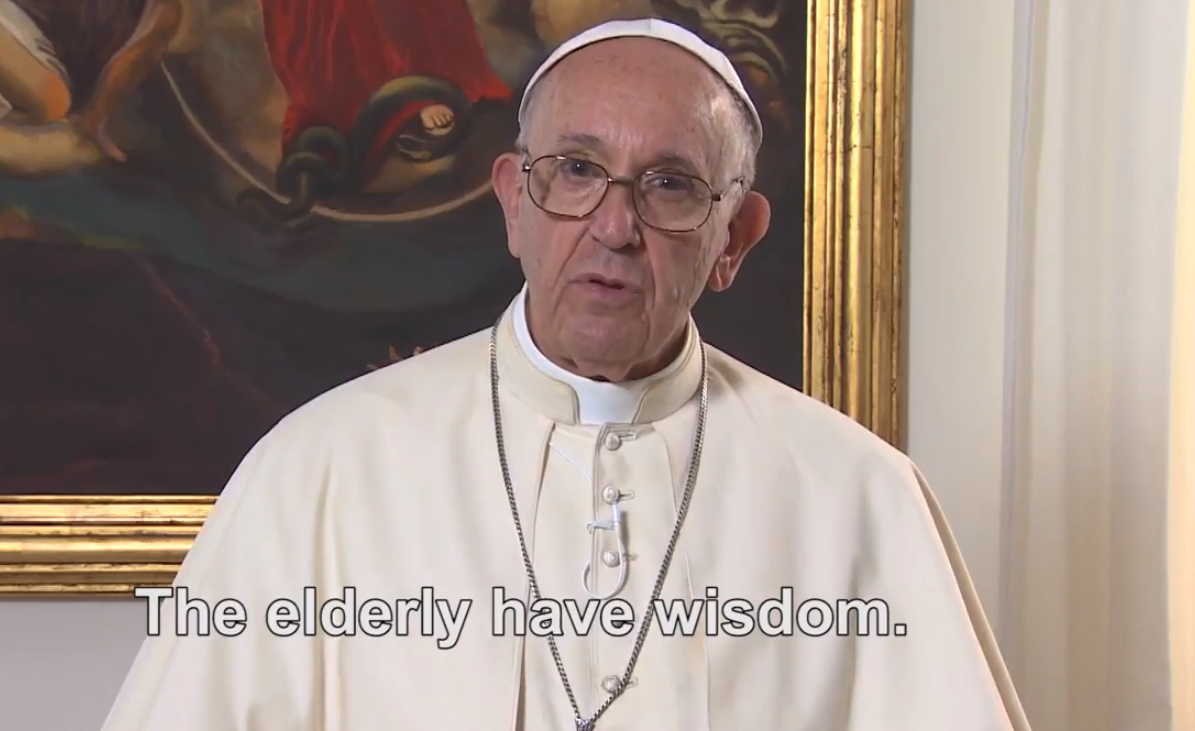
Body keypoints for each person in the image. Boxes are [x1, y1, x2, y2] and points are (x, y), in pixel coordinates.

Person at [96, 18, 1033, 731]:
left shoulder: (859, 496)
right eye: (577, 169)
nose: (614, 227)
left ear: (734, 239)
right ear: (514, 202)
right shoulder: (319, 471)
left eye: (670, 184)